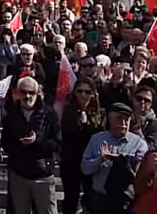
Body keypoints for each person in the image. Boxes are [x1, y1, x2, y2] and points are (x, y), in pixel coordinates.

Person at [2, 76, 61, 214]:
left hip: (43, 175)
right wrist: (19, 144)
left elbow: (57, 144)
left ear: (37, 93)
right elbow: (5, 142)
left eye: (31, 93)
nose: (27, 96)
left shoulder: (49, 114)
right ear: (17, 93)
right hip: (19, 175)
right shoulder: (11, 113)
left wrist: (37, 142)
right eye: (23, 92)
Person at [81, 103, 149, 214]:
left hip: (125, 200)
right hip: (100, 199)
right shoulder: (97, 140)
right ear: (110, 120)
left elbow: (141, 173)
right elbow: (85, 168)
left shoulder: (139, 144)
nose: (123, 123)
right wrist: (101, 160)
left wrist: (122, 161)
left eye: (126, 120)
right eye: (119, 119)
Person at [61, 78, 103, 214]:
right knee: (70, 201)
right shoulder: (68, 112)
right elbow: (66, 135)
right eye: (80, 91)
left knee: (93, 202)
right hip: (71, 162)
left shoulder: (101, 114)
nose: (83, 95)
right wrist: (78, 124)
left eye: (87, 92)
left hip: (92, 162)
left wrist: (87, 123)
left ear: (93, 94)